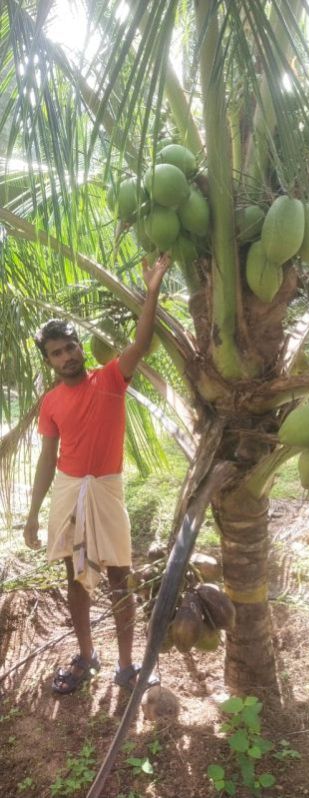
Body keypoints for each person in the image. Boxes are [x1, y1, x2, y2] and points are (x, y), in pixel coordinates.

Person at [23, 254, 171, 694]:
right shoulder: (50, 403)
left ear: (79, 346)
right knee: (76, 578)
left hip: (107, 492)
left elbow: (142, 344)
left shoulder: (110, 378)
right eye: (56, 353)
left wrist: (152, 289)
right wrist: (33, 515)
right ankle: (87, 657)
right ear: (49, 361)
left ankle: (128, 666)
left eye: (69, 347)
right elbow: (47, 459)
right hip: (69, 493)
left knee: (120, 578)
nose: (66, 356)